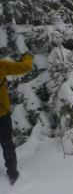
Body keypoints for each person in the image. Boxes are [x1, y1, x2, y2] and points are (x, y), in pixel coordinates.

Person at [0, 53, 33, 185]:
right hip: (2, 115)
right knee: (7, 144)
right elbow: (25, 67)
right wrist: (27, 55)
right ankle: (13, 174)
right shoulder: (1, 65)